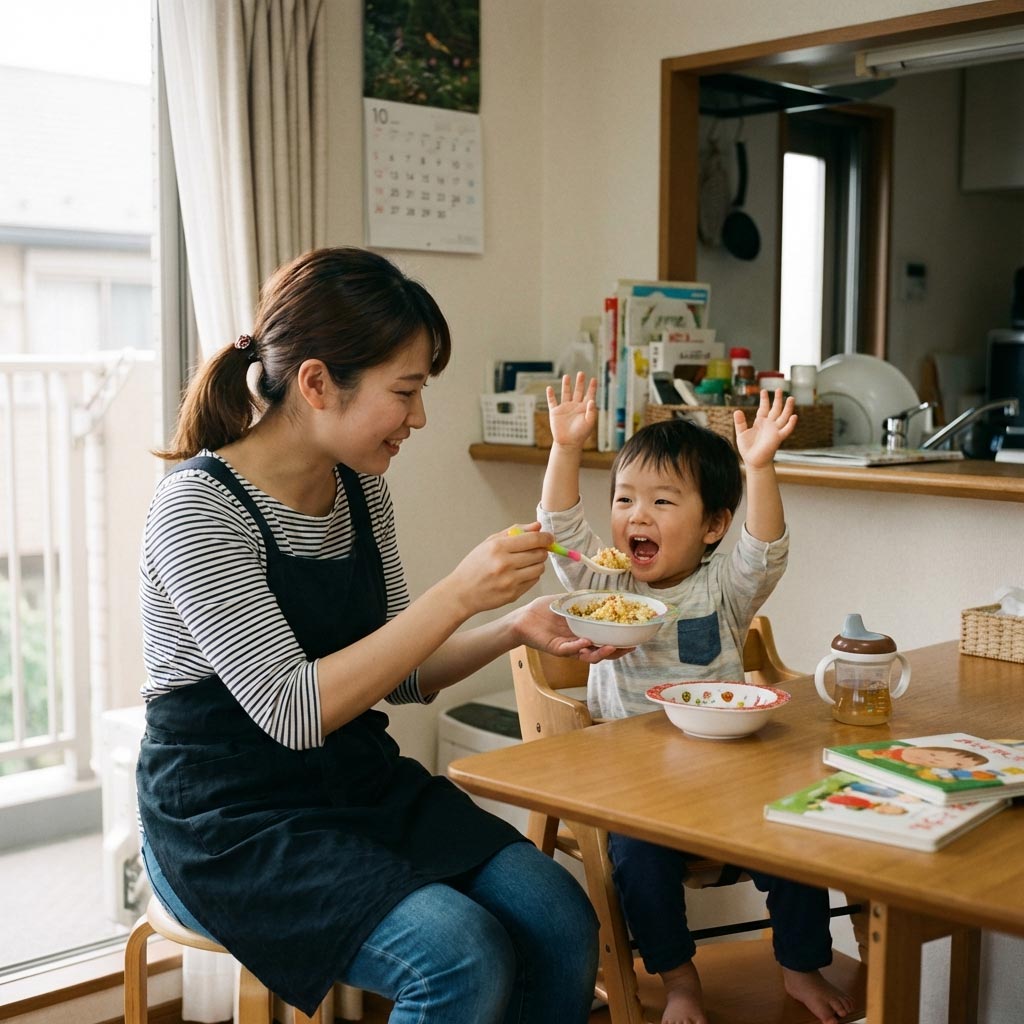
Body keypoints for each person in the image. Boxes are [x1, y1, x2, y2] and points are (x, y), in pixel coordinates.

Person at [136, 248, 614, 1023]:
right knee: (459, 955)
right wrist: (457, 593)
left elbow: (400, 671)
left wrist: (512, 627)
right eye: (405, 391)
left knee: (559, 917)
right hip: (227, 819)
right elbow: (293, 710)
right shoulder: (198, 508)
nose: (418, 418)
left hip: (352, 784)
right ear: (317, 383)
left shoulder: (360, 491)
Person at [537, 373, 855, 1024]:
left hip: (728, 782)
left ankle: (800, 965)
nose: (637, 516)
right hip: (635, 793)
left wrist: (758, 467)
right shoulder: (604, 584)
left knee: (800, 832)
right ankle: (680, 981)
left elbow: (765, 551)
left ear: (713, 525)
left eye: (662, 501)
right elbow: (560, 527)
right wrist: (566, 448)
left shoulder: (723, 591)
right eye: (625, 499)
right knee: (637, 864)